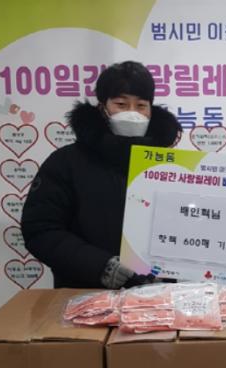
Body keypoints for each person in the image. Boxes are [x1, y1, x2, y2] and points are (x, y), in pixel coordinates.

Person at [21, 61, 181, 294]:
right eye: (121, 104)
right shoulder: (66, 162)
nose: (132, 113)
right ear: (102, 107)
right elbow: (41, 229)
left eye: (141, 106)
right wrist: (100, 267)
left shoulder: (172, 166)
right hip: (85, 295)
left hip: (158, 296)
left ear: (151, 110)